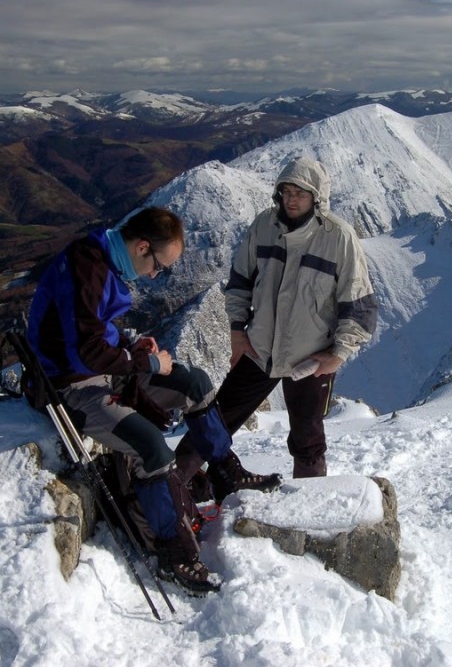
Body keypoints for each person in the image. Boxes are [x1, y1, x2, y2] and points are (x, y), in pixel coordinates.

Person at [26, 206, 280, 595]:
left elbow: (97, 329)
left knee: (194, 383)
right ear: (143, 247)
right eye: (159, 265)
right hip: (72, 386)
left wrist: (130, 344)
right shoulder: (87, 267)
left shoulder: (103, 259)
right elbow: (87, 349)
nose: (156, 275)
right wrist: (144, 361)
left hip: (102, 369)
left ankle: (226, 471)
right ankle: (173, 550)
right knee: (151, 449)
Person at [217, 156, 378, 479]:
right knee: (216, 421)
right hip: (259, 348)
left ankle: (306, 501)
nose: (291, 199)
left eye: (300, 193)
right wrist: (238, 330)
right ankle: (182, 485)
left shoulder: (339, 238)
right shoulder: (264, 226)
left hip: (310, 357)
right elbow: (239, 282)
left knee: (307, 438)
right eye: (286, 191)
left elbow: (359, 305)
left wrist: (339, 354)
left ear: (317, 197)